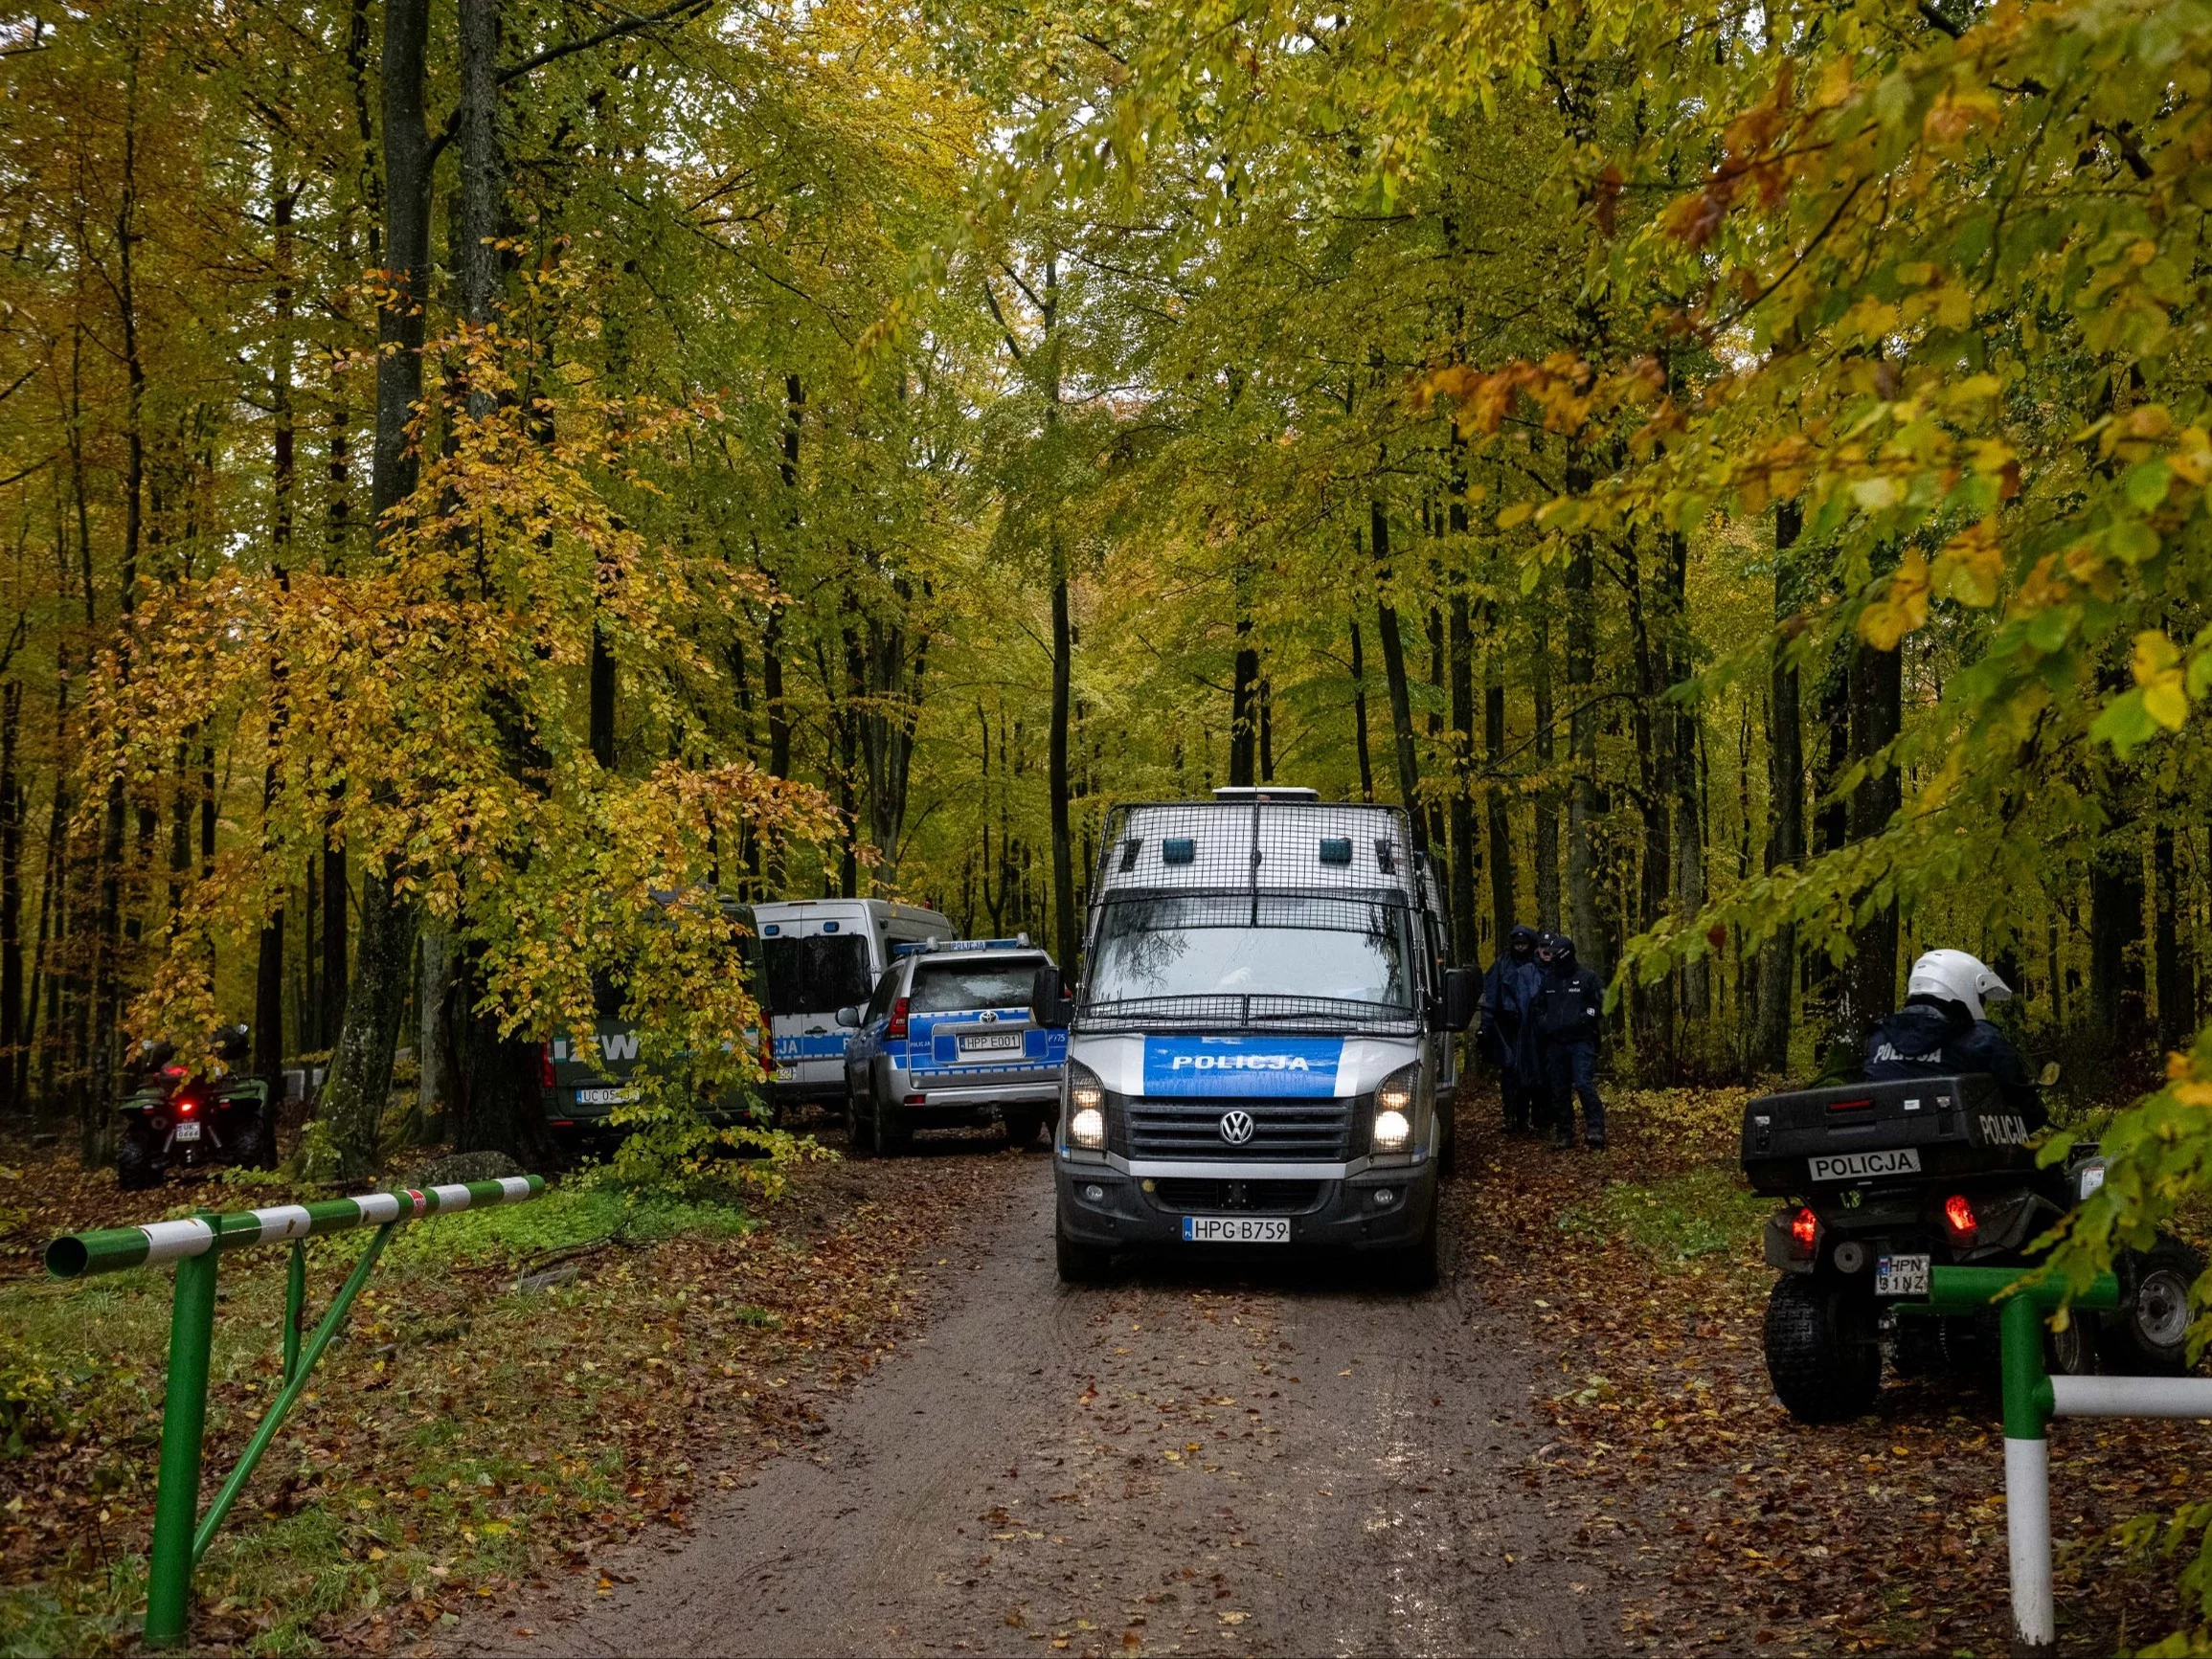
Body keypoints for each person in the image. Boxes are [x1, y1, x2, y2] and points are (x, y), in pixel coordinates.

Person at [1864, 948, 2043, 1126]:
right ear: (1963, 986)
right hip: (1968, 1150)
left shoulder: (1877, 1038)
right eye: (1981, 998)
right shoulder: (1981, 1039)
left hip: (1881, 1145)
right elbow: (2026, 1108)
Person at [1533, 933, 1606, 1151]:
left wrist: (1585, 1017)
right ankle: (1564, 1132)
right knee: (1559, 1088)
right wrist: (1546, 1023)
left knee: (1583, 1083)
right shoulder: (1549, 980)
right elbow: (1539, 1007)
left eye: (1554, 954)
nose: (1550, 957)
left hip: (1581, 1041)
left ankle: (1596, 1129)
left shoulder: (1588, 978)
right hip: (1556, 1042)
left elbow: (1601, 1004)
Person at [1478, 925, 1545, 1132]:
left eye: (1524, 943)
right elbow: (1490, 996)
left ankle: (1529, 1118)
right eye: (1517, 943)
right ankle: (1510, 1117)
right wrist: (1486, 1026)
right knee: (1509, 1073)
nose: (1520, 947)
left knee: (1532, 1073)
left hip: (1532, 1028)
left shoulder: (1538, 965)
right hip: (1507, 1028)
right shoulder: (1502, 964)